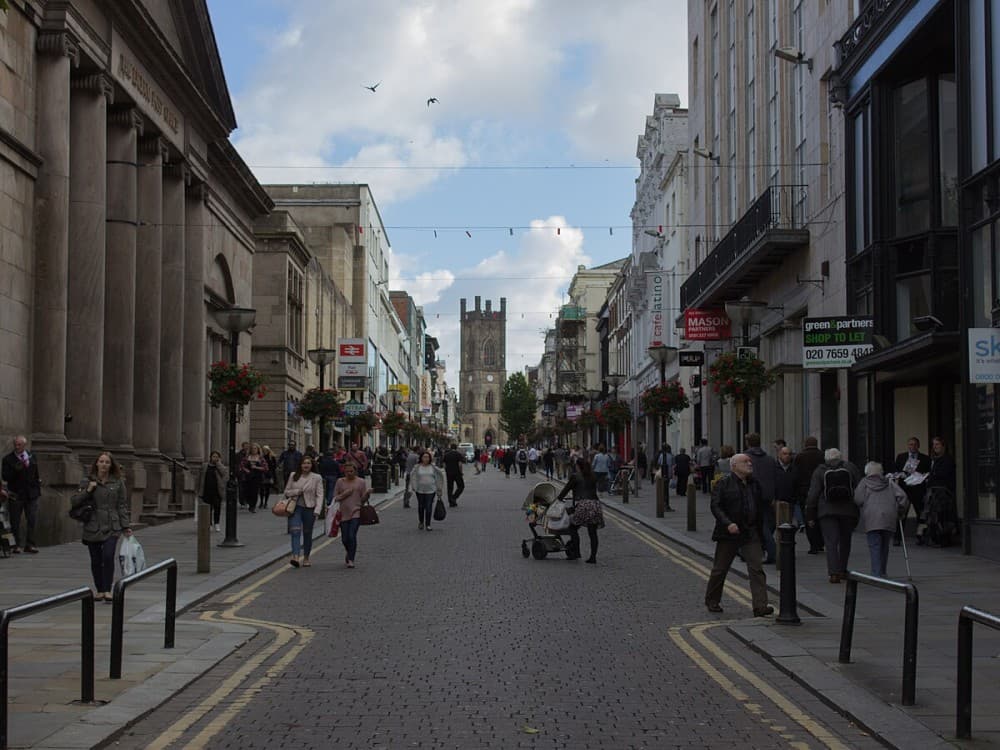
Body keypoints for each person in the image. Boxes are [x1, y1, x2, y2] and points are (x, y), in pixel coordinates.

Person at [704, 453, 773, 617]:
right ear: (734, 465)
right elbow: (716, 506)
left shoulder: (754, 484)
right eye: (745, 462)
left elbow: (760, 507)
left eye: (750, 461)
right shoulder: (723, 483)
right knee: (720, 569)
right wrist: (728, 523)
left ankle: (760, 606)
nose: (749, 464)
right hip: (729, 533)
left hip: (750, 532)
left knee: (756, 568)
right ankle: (712, 600)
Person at [69, 452, 131, 601]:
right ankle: (100, 589)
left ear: (111, 465)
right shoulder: (88, 481)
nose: (104, 465)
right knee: (96, 559)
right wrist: (89, 490)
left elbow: (122, 505)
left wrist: (125, 526)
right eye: (101, 462)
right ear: (96, 464)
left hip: (112, 525)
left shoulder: (117, 482)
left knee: (108, 556)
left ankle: (107, 589)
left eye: (107, 462)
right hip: (93, 525)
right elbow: (75, 501)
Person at [806, 448, 863, 583]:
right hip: (847, 510)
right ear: (841, 457)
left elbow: (813, 494)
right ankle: (842, 570)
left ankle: (833, 573)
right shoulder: (850, 467)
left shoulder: (820, 470)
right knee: (845, 541)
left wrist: (810, 514)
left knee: (831, 542)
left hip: (827, 511)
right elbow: (859, 487)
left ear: (826, 459)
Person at [855, 462, 908, 577]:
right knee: (884, 546)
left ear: (867, 472)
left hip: (872, 517)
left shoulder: (864, 482)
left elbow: (858, 499)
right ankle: (882, 572)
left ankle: (876, 574)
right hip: (888, 516)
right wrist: (900, 510)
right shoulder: (889, 482)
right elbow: (902, 496)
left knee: (874, 546)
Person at [556, 457, 605, 564]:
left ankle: (576, 553)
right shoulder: (593, 476)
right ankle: (593, 557)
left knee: (572, 527)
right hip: (595, 505)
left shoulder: (575, 476)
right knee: (592, 532)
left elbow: (565, 491)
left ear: (577, 466)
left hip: (583, 505)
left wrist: (558, 500)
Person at [281, 454, 324, 568]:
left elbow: (320, 495)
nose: (306, 465)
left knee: (307, 533)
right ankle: (295, 557)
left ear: (312, 465)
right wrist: (296, 492)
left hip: (309, 508)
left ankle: (306, 557)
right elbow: (286, 492)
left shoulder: (317, 477)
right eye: (304, 463)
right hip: (295, 508)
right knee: (295, 532)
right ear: (300, 465)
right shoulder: (293, 475)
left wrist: (317, 510)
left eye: (308, 463)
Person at [1, 435, 42, 553]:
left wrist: (37, 488)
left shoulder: (31, 456)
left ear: (24, 445)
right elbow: (5, 477)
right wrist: (15, 469)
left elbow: (36, 474)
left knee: (32, 519)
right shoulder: (8, 459)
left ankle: (30, 544)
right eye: (15, 445)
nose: (17, 447)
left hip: (31, 494)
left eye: (19, 445)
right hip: (16, 494)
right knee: (15, 521)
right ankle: (16, 545)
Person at [744, 433, 778, 564]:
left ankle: (772, 550)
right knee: (768, 523)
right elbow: (776, 478)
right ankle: (763, 546)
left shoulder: (745, 458)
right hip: (768, 496)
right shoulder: (770, 459)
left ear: (748, 443)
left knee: (759, 524)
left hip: (752, 495)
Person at [333, 461, 371, 568]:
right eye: (347, 471)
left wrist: (367, 494)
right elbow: (335, 498)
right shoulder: (340, 482)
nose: (349, 473)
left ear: (355, 471)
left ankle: (351, 559)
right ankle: (349, 551)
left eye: (351, 471)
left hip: (356, 511)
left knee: (352, 535)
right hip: (343, 513)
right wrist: (344, 494)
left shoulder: (361, 482)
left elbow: (363, 500)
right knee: (345, 538)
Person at [893, 437, 930, 545]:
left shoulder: (925, 458)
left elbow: (928, 473)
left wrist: (921, 476)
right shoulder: (901, 457)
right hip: (905, 489)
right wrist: (900, 474)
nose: (912, 447)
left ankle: (921, 536)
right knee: (902, 513)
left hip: (918, 489)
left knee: (921, 514)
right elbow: (896, 471)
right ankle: (897, 538)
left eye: (914, 444)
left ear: (918, 446)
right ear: (907, 446)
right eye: (910, 444)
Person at [792, 437, 825, 555]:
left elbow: (795, 475)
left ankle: (814, 545)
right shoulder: (822, 455)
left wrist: (795, 491)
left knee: (809, 517)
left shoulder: (800, 457)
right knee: (820, 516)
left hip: (804, 490)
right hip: (821, 490)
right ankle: (821, 542)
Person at [411, 450, 445, 530]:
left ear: (430, 458)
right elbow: (413, 477)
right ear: (421, 458)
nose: (426, 459)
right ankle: (421, 522)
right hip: (420, 490)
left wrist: (439, 489)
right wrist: (414, 486)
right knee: (421, 507)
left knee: (429, 507)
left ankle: (428, 524)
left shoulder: (433, 467)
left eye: (427, 457)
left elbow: (439, 477)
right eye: (424, 457)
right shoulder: (417, 467)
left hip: (431, 490)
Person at [198, 450, 226, 532]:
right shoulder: (205, 466)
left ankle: (217, 523)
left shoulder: (220, 466)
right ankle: (209, 524)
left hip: (217, 491)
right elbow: (200, 478)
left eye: (217, 457)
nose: (215, 458)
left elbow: (224, 474)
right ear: (210, 457)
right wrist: (198, 490)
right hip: (206, 490)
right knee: (208, 508)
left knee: (217, 508)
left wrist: (218, 464)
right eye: (214, 456)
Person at [774, 444, 800, 527]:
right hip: (777, 501)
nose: (787, 456)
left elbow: (797, 484)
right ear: (779, 455)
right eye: (785, 454)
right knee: (777, 525)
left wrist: (795, 498)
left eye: (789, 454)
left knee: (787, 525)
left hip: (790, 501)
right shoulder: (774, 467)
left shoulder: (795, 468)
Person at [239, 443, 267, 513]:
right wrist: (246, 470)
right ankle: (248, 502)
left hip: (257, 477)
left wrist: (256, 467)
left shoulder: (260, 458)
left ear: (258, 450)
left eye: (255, 449)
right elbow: (242, 466)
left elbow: (265, 468)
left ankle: (253, 506)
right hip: (247, 477)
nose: (254, 450)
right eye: (252, 449)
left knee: (254, 492)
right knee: (246, 491)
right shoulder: (247, 457)